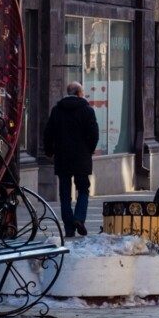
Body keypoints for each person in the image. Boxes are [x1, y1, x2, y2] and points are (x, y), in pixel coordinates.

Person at [43, 82, 99, 238]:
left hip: (63, 157)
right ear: (80, 93)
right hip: (81, 157)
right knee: (83, 189)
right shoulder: (87, 111)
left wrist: (49, 151)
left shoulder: (57, 110)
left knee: (65, 193)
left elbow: (48, 133)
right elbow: (94, 133)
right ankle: (79, 218)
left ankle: (69, 226)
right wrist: (90, 149)